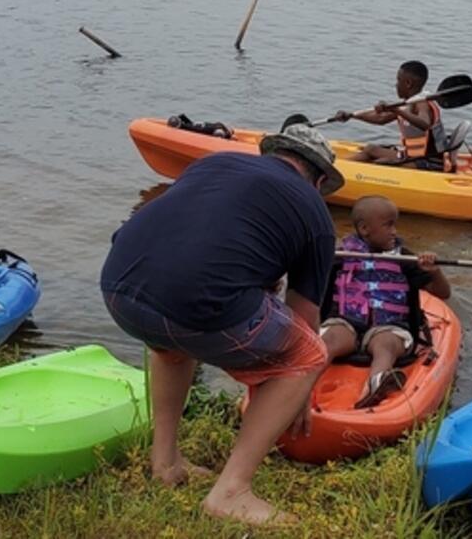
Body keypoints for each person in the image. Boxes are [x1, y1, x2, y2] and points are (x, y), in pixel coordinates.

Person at [99, 122, 343, 526]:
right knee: (309, 352)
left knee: (172, 347)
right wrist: (298, 393)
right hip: (191, 304)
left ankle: (165, 462)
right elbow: (304, 315)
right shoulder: (314, 211)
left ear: (271, 155)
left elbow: (200, 241)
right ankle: (231, 492)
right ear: (317, 179)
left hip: (117, 288)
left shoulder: (213, 165)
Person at [319, 196, 450, 409]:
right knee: (331, 339)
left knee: (385, 344)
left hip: (389, 328)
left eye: (394, 224)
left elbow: (443, 293)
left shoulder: (404, 259)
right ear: (364, 229)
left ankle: (376, 382)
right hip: (346, 324)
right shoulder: (341, 256)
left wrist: (434, 271)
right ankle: (301, 383)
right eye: (388, 225)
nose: (394, 231)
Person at [329, 60, 446, 168]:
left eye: (398, 80)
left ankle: (349, 174)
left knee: (381, 163)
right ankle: (340, 168)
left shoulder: (421, 103)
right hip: (411, 156)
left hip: (428, 161)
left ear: (408, 83)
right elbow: (381, 119)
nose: (396, 85)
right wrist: (352, 115)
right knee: (371, 149)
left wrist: (396, 110)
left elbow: (425, 123)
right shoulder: (407, 103)